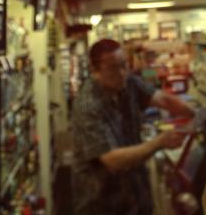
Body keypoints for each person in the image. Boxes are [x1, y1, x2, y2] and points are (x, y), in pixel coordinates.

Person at [72, 39, 195, 215]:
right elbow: (112, 160)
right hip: (103, 204)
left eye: (124, 65)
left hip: (135, 196)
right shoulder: (88, 105)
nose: (122, 73)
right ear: (95, 70)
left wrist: (199, 116)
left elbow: (163, 99)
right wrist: (159, 143)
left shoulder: (128, 83)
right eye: (114, 68)